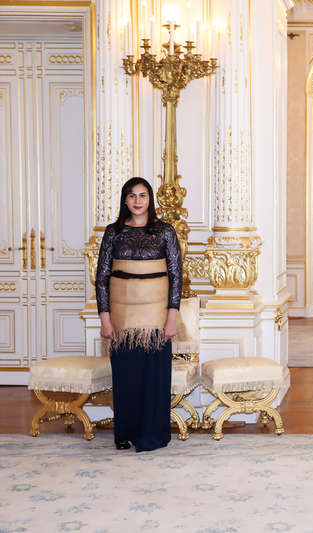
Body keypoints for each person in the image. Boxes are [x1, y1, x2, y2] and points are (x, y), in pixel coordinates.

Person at [96, 177, 182, 452]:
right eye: (132, 195)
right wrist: (105, 319)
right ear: (125, 199)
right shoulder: (113, 232)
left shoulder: (165, 232)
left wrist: (172, 318)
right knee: (127, 377)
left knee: (154, 378)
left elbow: (176, 277)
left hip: (156, 319)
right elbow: (102, 278)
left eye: (142, 195)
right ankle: (125, 433)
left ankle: (152, 436)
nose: (137, 200)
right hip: (122, 320)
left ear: (150, 199)